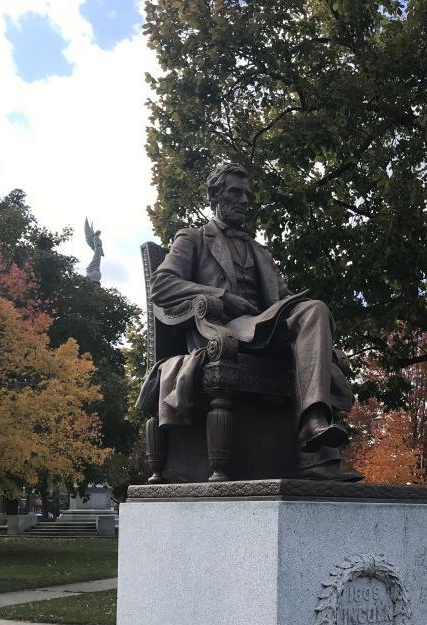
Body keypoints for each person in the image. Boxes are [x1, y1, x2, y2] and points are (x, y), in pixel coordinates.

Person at [150, 162, 362, 481]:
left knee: (315, 309)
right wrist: (221, 296)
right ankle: (313, 448)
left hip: (265, 329)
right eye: (236, 192)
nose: (244, 200)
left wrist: (322, 338)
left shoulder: (260, 251)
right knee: (311, 314)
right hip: (225, 330)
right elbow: (162, 285)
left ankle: (314, 428)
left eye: (247, 194)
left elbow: (285, 299)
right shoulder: (193, 238)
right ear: (215, 195)